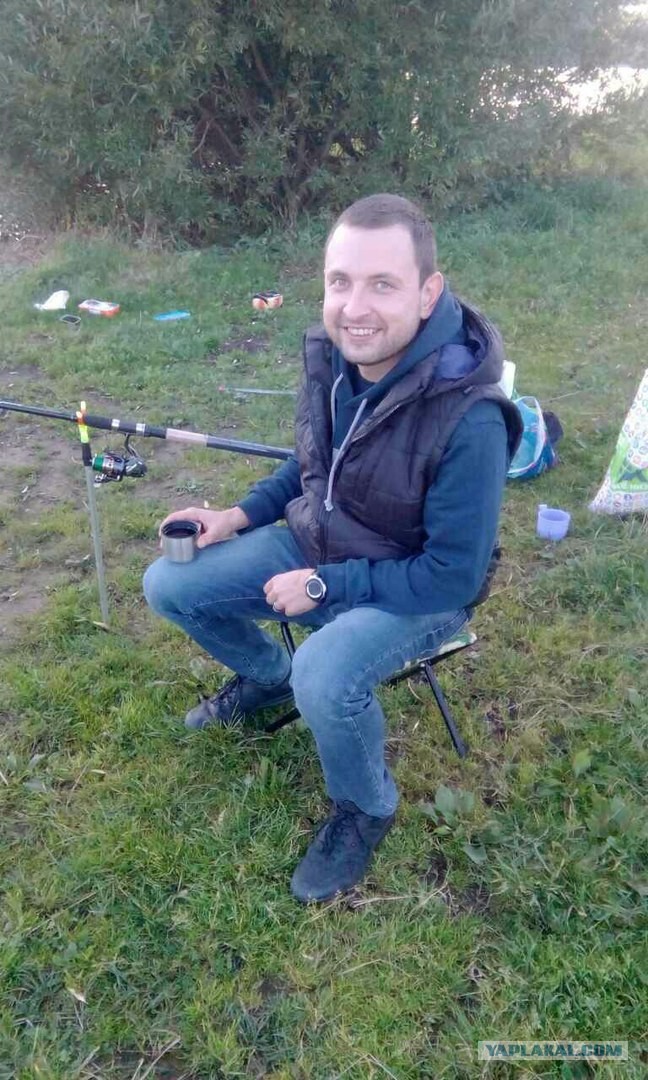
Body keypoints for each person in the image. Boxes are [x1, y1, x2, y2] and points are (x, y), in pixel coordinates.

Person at [143, 193, 522, 904]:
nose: (355, 308)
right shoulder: (334, 359)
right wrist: (237, 515)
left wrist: (325, 586)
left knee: (323, 673)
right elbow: (313, 464)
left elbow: (452, 575)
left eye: (383, 284)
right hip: (320, 542)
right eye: (340, 282)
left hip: (417, 588)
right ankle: (266, 676)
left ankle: (365, 805)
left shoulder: (470, 420)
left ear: (427, 293)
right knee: (168, 583)